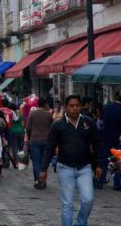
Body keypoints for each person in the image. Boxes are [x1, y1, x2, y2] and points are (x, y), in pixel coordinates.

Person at [40, 95, 102, 226]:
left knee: (88, 199)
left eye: (77, 105)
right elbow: (49, 147)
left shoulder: (88, 123)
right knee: (67, 203)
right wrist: (43, 169)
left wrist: (98, 165)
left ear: (80, 106)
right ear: (66, 108)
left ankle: (80, 222)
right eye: (71, 106)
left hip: (84, 167)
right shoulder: (58, 125)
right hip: (65, 168)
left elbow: (97, 144)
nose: (75, 108)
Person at [25, 97, 53, 189]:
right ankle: (43, 180)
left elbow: (28, 127)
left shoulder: (32, 114)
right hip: (46, 140)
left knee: (36, 161)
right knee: (44, 161)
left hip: (35, 139)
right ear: (45, 104)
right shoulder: (49, 114)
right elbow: (52, 127)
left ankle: (39, 180)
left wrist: (29, 137)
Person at [96, 91, 121, 190]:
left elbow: (101, 121)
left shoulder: (106, 107)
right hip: (118, 139)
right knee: (118, 160)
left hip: (106, 137)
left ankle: (100, 181)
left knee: (104, 160)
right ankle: (116, 183)